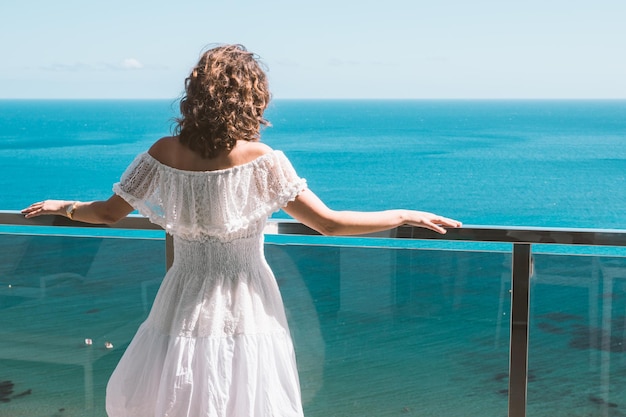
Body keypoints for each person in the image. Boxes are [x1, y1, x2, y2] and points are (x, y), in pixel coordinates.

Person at [22, 44, 461, 417]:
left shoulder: (163, 152)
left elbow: (106, 214)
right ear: (251, 99)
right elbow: (329, 223)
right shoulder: (261, 160)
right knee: (241, 391)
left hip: (181, 294)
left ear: (195, 96)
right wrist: (402, 213)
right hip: (245, 297)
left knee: (183, 390)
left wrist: (65, 206)